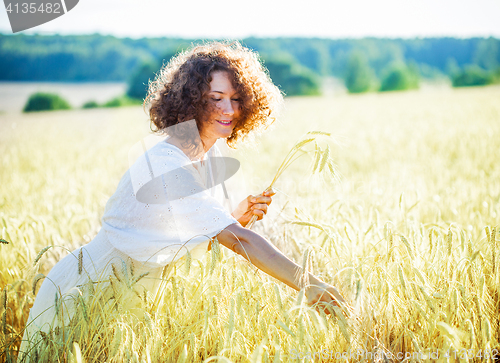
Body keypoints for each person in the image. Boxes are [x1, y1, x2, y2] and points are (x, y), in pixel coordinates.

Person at [19, 41, 346, 361]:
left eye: (236, 99)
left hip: (132, 309)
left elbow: (184, 240)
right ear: (191, 100)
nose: (229, 110)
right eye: (215, 98)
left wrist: (234, 217)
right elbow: (237, 240)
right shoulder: (166, 160)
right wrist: (308, 284)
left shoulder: (212, 153)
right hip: (81, 294)